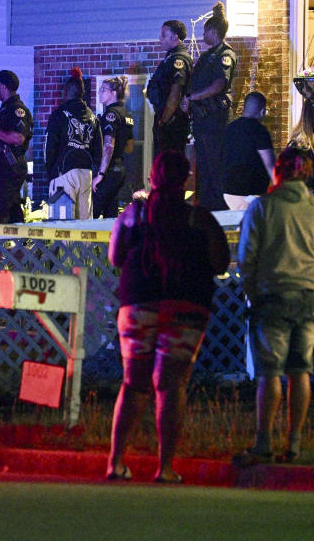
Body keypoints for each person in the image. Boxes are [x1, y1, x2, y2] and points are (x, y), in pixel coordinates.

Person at [106, 150, 230, 483]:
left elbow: (115, 256)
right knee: (171, 385)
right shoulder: (199, 218)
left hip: (139, 305)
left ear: (152, 178)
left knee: (134, 384)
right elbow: (220, 264)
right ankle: (166, 467)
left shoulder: (135, 214)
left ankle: (115, 462)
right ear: (186, 180)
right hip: (186, 308)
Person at [235, 146, 314, 466]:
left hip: (272, 296)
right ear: (307, 174)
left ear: (278, 171)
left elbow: (246, 259)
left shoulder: (262, 208)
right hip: (309, 295)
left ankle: (263, 443)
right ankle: (294, 444)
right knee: (300, 370)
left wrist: (253, 293)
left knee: (270, 372)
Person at [186, 2, 238, 212]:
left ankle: (218, 212)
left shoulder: (225, 54)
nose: (202, 35)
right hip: (202, 121)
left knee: (215, 168)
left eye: (205, 30)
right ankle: (205, 208)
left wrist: (193, 97)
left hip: (215, 121)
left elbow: (219, 85)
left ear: (213, 31)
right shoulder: (207, 55)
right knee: (204, 170)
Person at [44, 67, 102, 220]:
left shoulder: (59, 115)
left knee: (61, 225)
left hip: (63, 172)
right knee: (84, 226)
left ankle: (64, 245)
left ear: (67, 92)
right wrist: (93, 171)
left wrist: (51, 173)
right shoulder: (94, 119)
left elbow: (49, 148)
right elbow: (99, 151)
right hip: (86, 174)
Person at [0, 69, 33, 224]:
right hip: (2, 168)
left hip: (10, 168)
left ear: (4, 87)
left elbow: (18, 138)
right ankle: (20, 246)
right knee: (12, 211)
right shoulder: (4, 110)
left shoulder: (18, 110)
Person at [222, 91, 276, 211]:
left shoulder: (230, 128)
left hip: (229, 191)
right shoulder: (259, 131)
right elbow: (269, 163)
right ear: (262, 111)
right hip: (251, 193)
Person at [147, 20, 193, 156]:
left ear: (175, 37)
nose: (160, 38)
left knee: (169, 166)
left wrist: (164, 120)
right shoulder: (170, 58)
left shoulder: (178, 60)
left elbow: (175, 92)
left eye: (163, 35)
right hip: (167, 119)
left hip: (172, 123)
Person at [92, 75, 135, 218]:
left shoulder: (111, 114)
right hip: (119, 170)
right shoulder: (126, 114)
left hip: (108, 172)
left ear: (114, 93)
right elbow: (130, 147)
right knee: (111, 215)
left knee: (93, 213)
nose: (99, 92)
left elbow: (108, 145)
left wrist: (101, 174)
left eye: (103, 90)